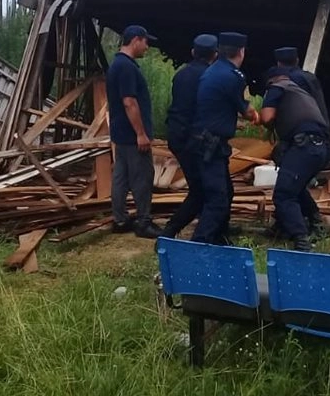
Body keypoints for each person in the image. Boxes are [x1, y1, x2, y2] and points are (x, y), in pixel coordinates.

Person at [189, 32, 259, 244]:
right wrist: (257, 116)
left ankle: (219, 236)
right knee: (218, 199)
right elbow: (246, 111)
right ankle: (198, 245)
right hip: (211, 144)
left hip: (204, 141)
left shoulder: (213, 71)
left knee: (225, 192)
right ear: (241, 51)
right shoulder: (232, 76)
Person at [259, 66, 330, 251]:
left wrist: (252, 116)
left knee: (283, 194)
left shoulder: (277, 88)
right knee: (296, 187)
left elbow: (267, 117)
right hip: (322, 148)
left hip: (304, 148)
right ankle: (315, 223)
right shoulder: (301, 92)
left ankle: (301, 239)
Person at [106, 25, 163, 238]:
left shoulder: (117, 64)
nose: (147, 47)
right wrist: (140, 133)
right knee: (142, 177)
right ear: (136, 40)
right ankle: (143, 221)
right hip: (132, 135)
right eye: (146, 42)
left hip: (121, 133)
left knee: (120, 176)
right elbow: (129, 102)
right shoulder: (127, 67)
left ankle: (120, 219)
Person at [161, 34, 218, 238]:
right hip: (193, 139)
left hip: (176, 134)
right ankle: (171, 230)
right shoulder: (209, 77)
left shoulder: (181, 75)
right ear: (215, 55)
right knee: (201, 190)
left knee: (200, 187)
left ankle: (207, 228)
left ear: (193, 52)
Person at [271, 47, 330, 236]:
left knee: (286, 190)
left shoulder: (285, 82)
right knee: (296, 184)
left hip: (299, 141)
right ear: (297, 60)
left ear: (278, 63)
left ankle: (300, 234)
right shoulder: (310, 78)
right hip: (320, 138)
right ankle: (313, 223)